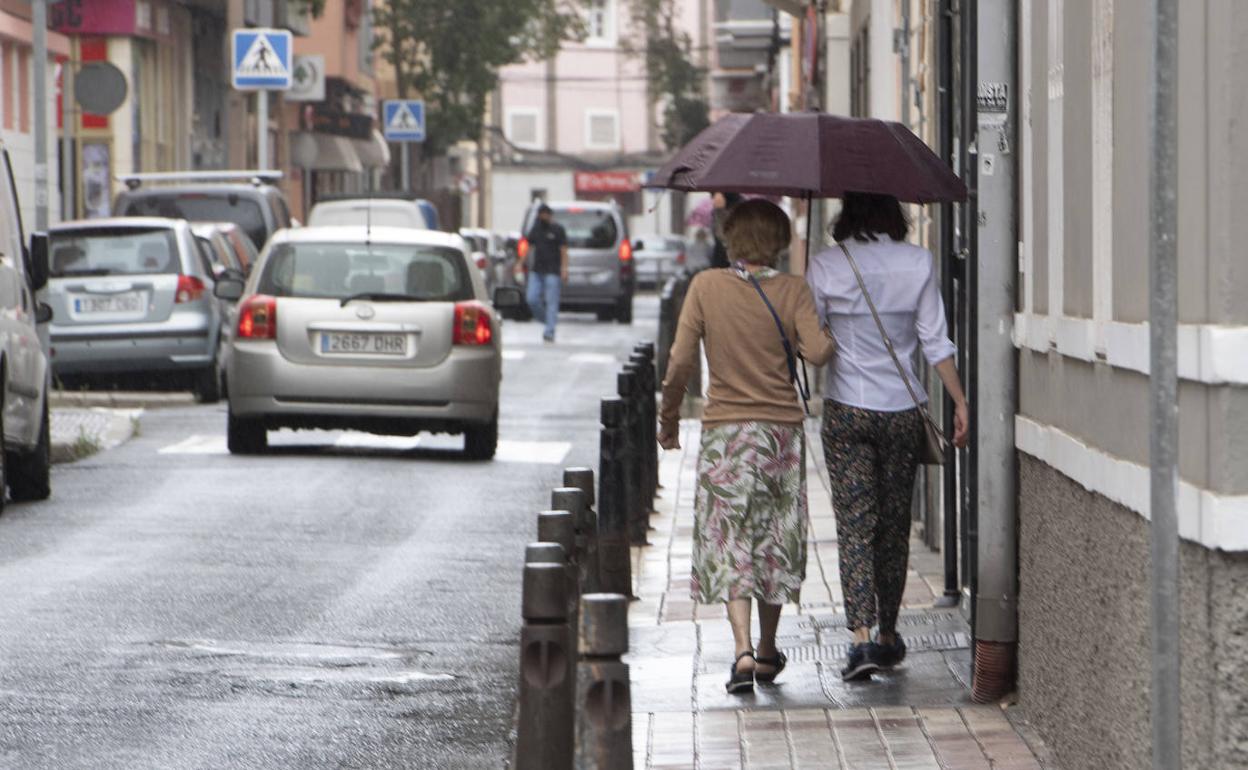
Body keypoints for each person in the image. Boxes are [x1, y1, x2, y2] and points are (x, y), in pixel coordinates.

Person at [658, 200, 835, 695]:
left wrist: (668, 418)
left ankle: (739, 649)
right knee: (773, 539)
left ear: (731, 239)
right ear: (777, 241)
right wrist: (821, 332)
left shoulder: (705, 287)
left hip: (725, 435)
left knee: (731, 538)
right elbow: (818, 352)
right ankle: (767, 649)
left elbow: (678, 362)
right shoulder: (793, 290)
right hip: (780, 435)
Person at [805, 192, 969, 682]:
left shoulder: (826, 266)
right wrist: (958, 401)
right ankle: (888, 634)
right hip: (901, 410)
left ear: (846, 214)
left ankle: (860, 640)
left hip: (847, 410)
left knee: (856, 526)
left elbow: (812, 339)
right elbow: (934, 341)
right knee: (894, 526)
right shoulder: (918, 262)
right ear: (893, 215)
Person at [519, 204, 568, 342]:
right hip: (537, 270)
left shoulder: (558, 230)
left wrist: (564, 269)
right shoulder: (536, 229)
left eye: (546, 214)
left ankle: (549, 331)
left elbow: (564, 250)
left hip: (553, 271)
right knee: (531, 299)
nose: (543, 217)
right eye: (541, 214)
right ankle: (547, 320)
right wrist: (520, 262)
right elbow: (528, 247)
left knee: (552, 301)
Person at [708, 192, 742, 269]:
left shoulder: (731, 211)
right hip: (722, 260)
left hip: (730, 262)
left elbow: (724, 237)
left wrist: (719, 211)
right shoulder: (718, 211)